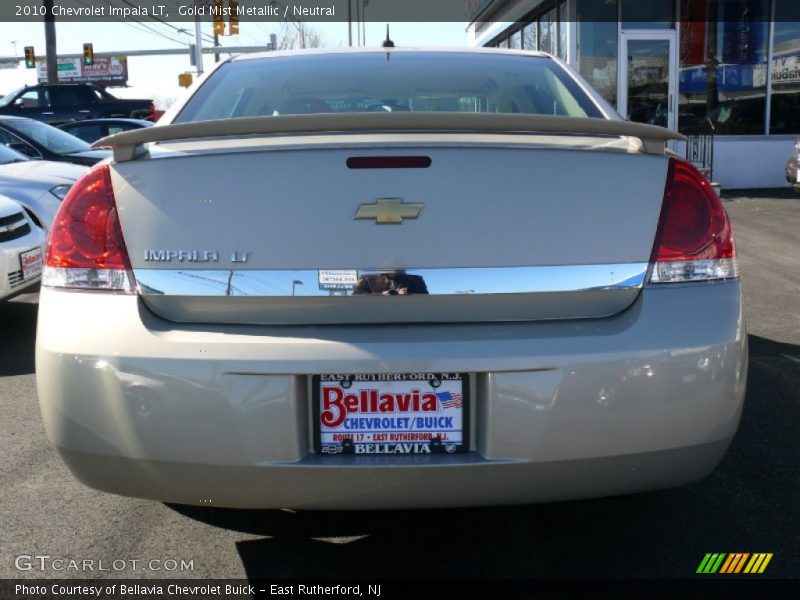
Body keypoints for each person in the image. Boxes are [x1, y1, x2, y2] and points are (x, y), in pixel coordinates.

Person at [353, 270, 429, 295]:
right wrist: (380, 296)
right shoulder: (367, 279)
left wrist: (408, 295)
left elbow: (425, 298)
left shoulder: (416, 280)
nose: (392, 270)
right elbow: (357, 296)